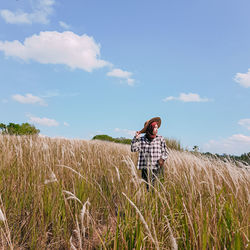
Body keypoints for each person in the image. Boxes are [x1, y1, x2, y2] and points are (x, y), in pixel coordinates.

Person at [131, 117, 169, 190]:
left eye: (157, 127)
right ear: (149, 128)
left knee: (158, 189)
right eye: (155, 127)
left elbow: (165, 152)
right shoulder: (141, 139)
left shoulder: (160, 138)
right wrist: (136, 138)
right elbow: (133, 149)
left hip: (157, 168)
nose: (157, 129)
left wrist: (162, 159)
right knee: (148, 189)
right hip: (146, 169)